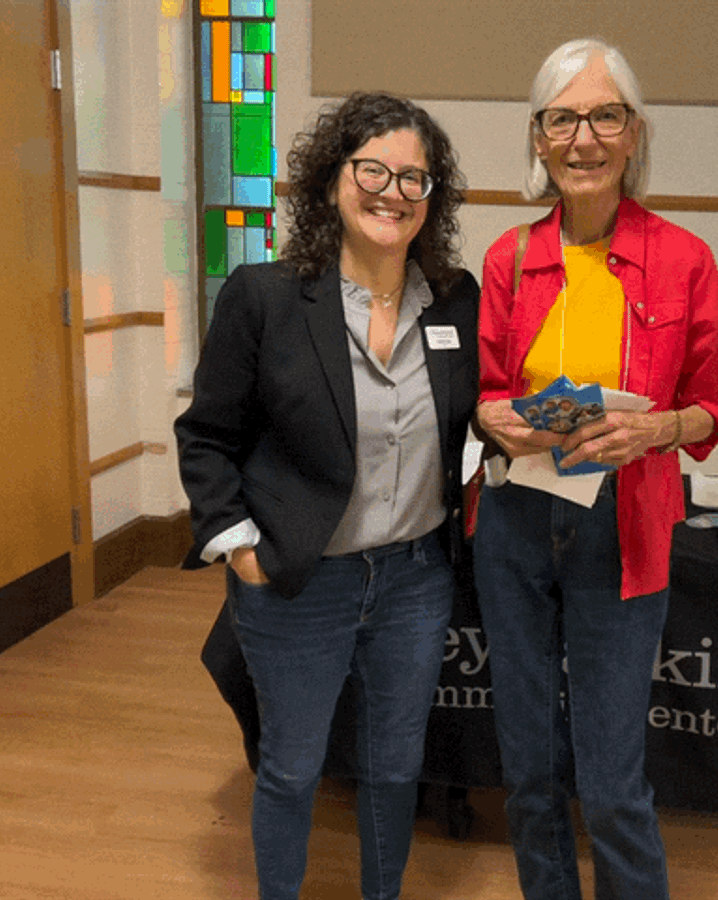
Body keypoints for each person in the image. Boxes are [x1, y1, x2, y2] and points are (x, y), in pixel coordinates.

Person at [175, 91, 479, 900]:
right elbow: (206, 436)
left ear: (432, 198)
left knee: (394, 767)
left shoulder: (455, 300)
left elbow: (484, 416)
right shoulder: (266, 296)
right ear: (332, 182)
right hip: (301, 580)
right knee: (292, 767)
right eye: (372, 169)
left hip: (416, 579)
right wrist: (238, 550)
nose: (393, 191)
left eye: (414, 178)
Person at [473, 38, 718, 900]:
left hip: (623, 529)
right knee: (529, 767)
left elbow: (712, 409)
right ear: (539, 141)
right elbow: (485, 394)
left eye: (604, 116)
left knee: (614, 781)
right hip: (513, 523)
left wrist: (658, 428)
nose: (583, 138)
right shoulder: (508, 258)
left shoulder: (684, 258)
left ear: (633, 135)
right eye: (563, 119)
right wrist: (490, 416)